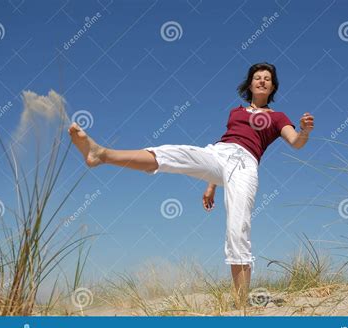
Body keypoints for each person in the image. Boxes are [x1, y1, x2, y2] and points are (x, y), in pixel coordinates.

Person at [68, 62, 314, 308]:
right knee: (172, 153)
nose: (262, 81)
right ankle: (101, 154)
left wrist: (303, 131)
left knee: (238, 226)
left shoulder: (278, 117)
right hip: (219, 153)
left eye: (267, 78)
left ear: (273, 87)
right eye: (257, 77)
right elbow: (224, 148)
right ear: (250, 84)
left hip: (245, 165)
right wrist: (211, 186)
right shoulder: (235, 112)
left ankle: (240, 305)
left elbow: (296, 142)